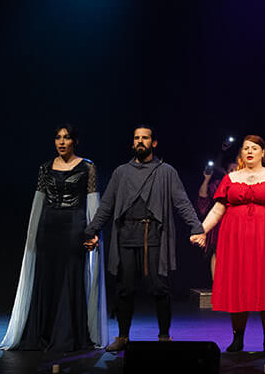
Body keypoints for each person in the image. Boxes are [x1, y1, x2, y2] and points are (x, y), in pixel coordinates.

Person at [82, 125, 206, 352]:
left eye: (145, 138)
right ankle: (123, 336)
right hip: (126, 236)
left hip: (154, 236)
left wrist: (196, 227)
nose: (140, 141)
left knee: (160, 288)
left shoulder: (166, 171)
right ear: (132, 143)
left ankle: (164, 336)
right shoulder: (121, 172)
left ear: (154, 143)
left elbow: (182, 202)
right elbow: (107, 206)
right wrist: (91, 230)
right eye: (137, 138)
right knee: (125, 289)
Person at [0, 125, 106, 351]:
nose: (62, 141)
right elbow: (38, 203)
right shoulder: (45, 168)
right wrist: (33, 235)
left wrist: (93, 231)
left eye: (67, 137)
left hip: (74, 226)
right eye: (58, 137)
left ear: (75, 141)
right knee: (47, 278)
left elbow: (93, 201)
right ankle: (43, 333)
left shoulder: (88, 167)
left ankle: (68, 335)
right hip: (48, 227)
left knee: (71, 278)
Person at [199, 136, 265, 354]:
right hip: (235, 239)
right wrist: (201, 230)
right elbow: (217, 210)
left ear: (263, 152)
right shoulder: (231, 178)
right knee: (238, 286)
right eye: (246, 148)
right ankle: (238, 339)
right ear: (241, 153)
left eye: (255, 148)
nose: (250, 151)